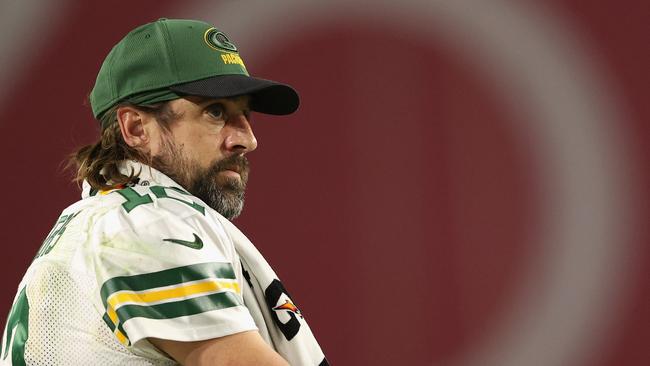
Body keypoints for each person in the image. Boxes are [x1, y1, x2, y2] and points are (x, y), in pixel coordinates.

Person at [1, 18, 327, 366]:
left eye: (244, 114)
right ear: (136, 127)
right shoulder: (147, 225)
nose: (247, 139)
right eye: (215, 111)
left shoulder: (111, 217)